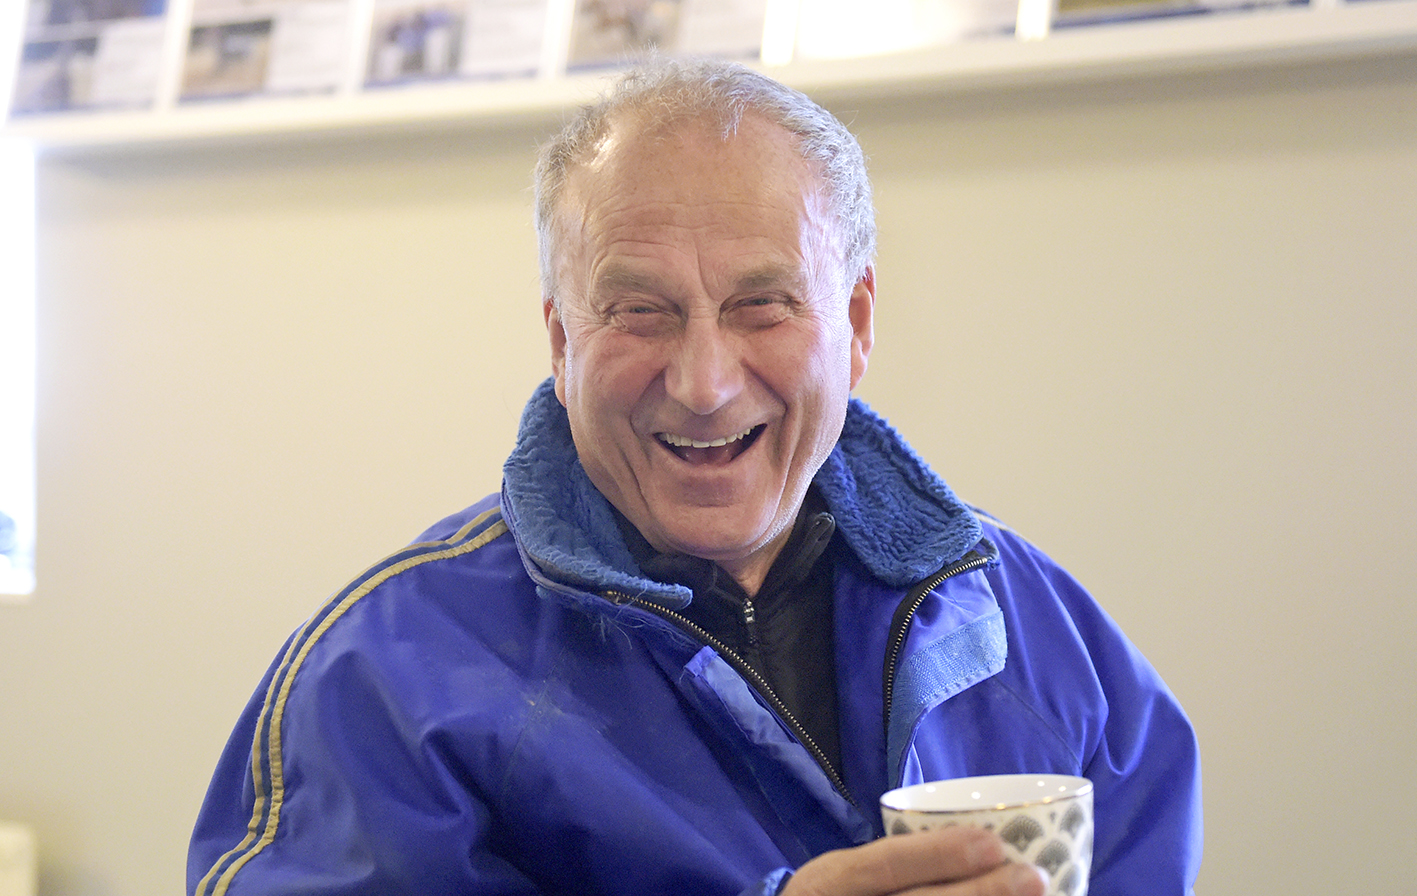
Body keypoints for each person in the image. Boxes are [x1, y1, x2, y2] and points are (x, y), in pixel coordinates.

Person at [189, 59, 1202, 896]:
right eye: (640, 311)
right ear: (561, 340)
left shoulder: (1028, 621)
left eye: (763, 306)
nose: (705, 384)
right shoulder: (383, 677)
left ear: (854, 326)